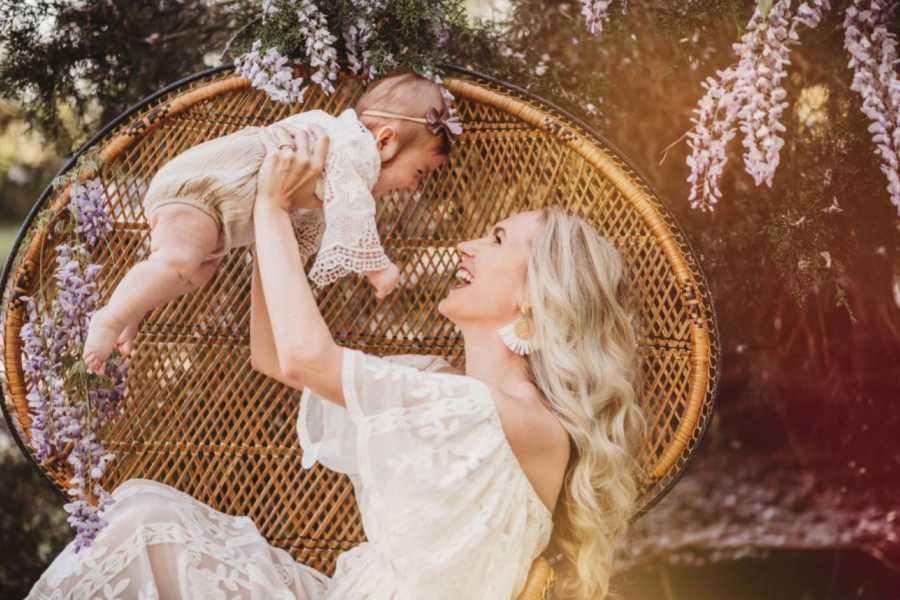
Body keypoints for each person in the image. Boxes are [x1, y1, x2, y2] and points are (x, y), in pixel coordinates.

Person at [27, 121, 646, 600]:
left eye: (498, 239)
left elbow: (304, 356)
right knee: (144, 517)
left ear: (537, 294)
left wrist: (269, 209)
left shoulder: (510, 418)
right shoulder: (437, 384)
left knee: (142, 524)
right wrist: (293, 218)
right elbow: (275, 356)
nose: (467, 243)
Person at [82, 71, 458, 376]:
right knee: (179, 262)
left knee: (189, 273)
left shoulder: (342, 155)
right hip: (205, 189)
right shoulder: (352, 150)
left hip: (216, 212)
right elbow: (353, 211)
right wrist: (378, 269)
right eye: (420, 172)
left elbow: (309, 219)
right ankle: (111, 316)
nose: (412, 186)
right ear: (386, 142)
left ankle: (131, 309)